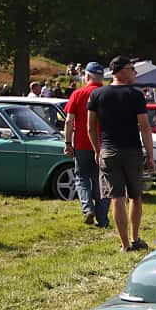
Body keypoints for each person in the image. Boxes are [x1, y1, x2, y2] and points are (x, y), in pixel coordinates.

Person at [86, 56, 154, 253]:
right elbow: (144, 126)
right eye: (132, 69)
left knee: (116, 197)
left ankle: (124, 244)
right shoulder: (136, 95)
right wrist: (150, 155)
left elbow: (90, 127)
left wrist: (97, 151)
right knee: (135, 196)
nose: (135, 72)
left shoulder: (97, 95)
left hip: (108, 151)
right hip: (132, 151)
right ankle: (135, 238)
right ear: (121, 71)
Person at [61, 62, 109, 228]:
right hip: (103, 144)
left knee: (81, 178)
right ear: (101, 77)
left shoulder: (78, 94)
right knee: (101, 181)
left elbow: (69, 121)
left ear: (86, 76)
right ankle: (102, 220)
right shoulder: (107, 94)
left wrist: (68, 142)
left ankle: (87, 208)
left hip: (82, 144)